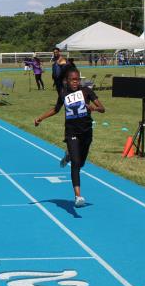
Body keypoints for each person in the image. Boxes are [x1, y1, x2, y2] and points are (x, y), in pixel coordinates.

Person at [34, 67, 105, 208]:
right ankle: (78, 196)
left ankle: (69, 155)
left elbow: (103, 108)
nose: (75, 82)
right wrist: (40, 118)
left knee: (81, 163)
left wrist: (94, 108)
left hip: (86, 132)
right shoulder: (63, 93)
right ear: (67, 80)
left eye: (77, 79)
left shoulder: (86, 91)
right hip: (71, 132)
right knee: (76, 164)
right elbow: (56, 109)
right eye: (73, 80)